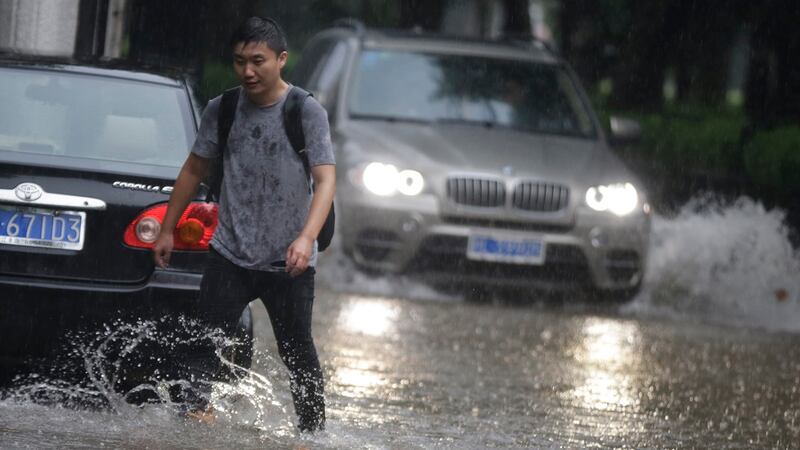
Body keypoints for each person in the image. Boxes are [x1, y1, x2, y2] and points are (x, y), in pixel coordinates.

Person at [152, 16, 335, 433]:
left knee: (298, 354)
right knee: (204, 346)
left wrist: (306, 239)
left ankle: (313, 436)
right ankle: (192, 428)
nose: (248, 71)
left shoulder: (305, 111)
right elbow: (194, 169)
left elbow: (326, 180)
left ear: (281, 59)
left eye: (258, 61)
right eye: (239, 62)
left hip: (288, 259)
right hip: (229, 252)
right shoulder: (224, 108)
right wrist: (167, 228)